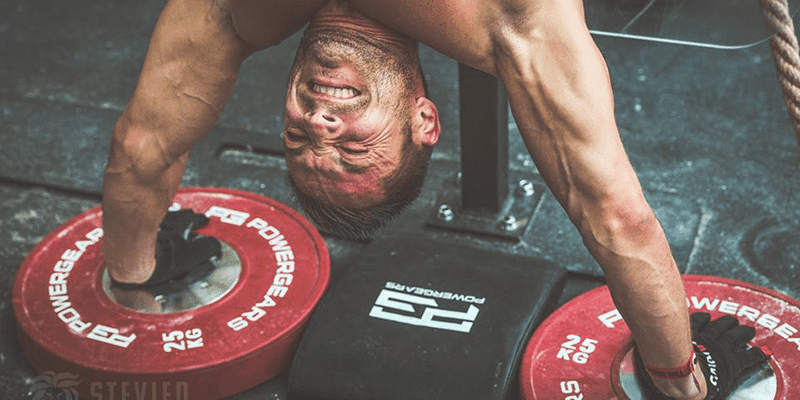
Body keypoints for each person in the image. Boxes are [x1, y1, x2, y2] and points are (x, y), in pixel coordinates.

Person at [101, 0, 770, 399]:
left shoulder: (237, 13)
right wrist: (680, 372)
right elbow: (612, 216)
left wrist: (138, 271)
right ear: (425, 121)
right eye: (353, 152)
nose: (320, 131)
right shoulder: (514, 23)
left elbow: (141, 149)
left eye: (297, 143)